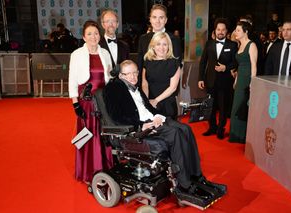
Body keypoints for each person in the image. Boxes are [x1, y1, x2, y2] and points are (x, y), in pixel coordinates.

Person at [103, 60, 226, 205]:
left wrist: (159, 117)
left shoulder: (135, 87)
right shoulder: (113, 88)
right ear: (120, 75)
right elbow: (116, 116)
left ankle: (197, 176)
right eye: (128, 73)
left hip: (151, 120)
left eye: (135, 72)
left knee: (185, 129)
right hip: (137, 129)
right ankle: (184, 185)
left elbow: (148, 107)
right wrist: (141, 125)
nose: (133, 76)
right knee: (175, 133)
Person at [68, 20, 113, 183]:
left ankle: (103, 168)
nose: (93, 37)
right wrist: (75, 103)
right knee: (86, 135)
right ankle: (86, 171)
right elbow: (72, 79)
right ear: (83, 37)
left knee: (103, 134)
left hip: (103, 101)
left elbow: (109, 77)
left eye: (95, 33)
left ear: (99, 35)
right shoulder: (76, 54)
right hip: (86, 101)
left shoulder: (105, 53)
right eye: (89, 34)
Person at [198, 18, 238, 139]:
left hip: (225, 82)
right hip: (210, 81)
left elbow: (236, 63)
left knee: (223, 107)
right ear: (215, 30)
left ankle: (221, 129)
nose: (220, 32)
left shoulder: (233, 45)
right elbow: (203, 62)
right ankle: (212, 127)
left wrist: (225, 67)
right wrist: (201, 78)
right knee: (211, 106)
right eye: (218, 29)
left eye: (223, 29)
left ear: (227, 31)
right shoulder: (209, 43)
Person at [137, 4, 182, 87]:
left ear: (166, 20)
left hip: (167, 87)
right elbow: (140, 63)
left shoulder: (174, 39)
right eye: (154, 17)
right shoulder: (143, 39)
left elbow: (177, 65)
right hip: (146, 86)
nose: (157, 21)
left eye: (161, 18)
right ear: (150, 19)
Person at [229, 21, 258, 143]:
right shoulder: (239, 45)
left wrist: (253, 83)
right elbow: (240, 65)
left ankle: (243, 136)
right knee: (236, 107)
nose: (236, 32)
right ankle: (235, 134)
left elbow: (254, 65)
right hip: (240, 79)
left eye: (238, 30)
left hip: (247, 80)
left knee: (243, 108)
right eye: (236, 30)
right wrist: (236, 79)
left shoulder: (251, 45)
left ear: (245, 32)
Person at [142, 32, 181, 119]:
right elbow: (144, 83)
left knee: (170, 131)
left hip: (167, 105)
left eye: (165, 44)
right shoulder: (147, 61)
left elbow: (173, 88)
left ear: (169, 46)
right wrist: (146, 101)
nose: (161, 48)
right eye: (158, 44)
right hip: (150, 104)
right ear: (153, 46)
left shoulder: (174, 63)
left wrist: (156, 101)